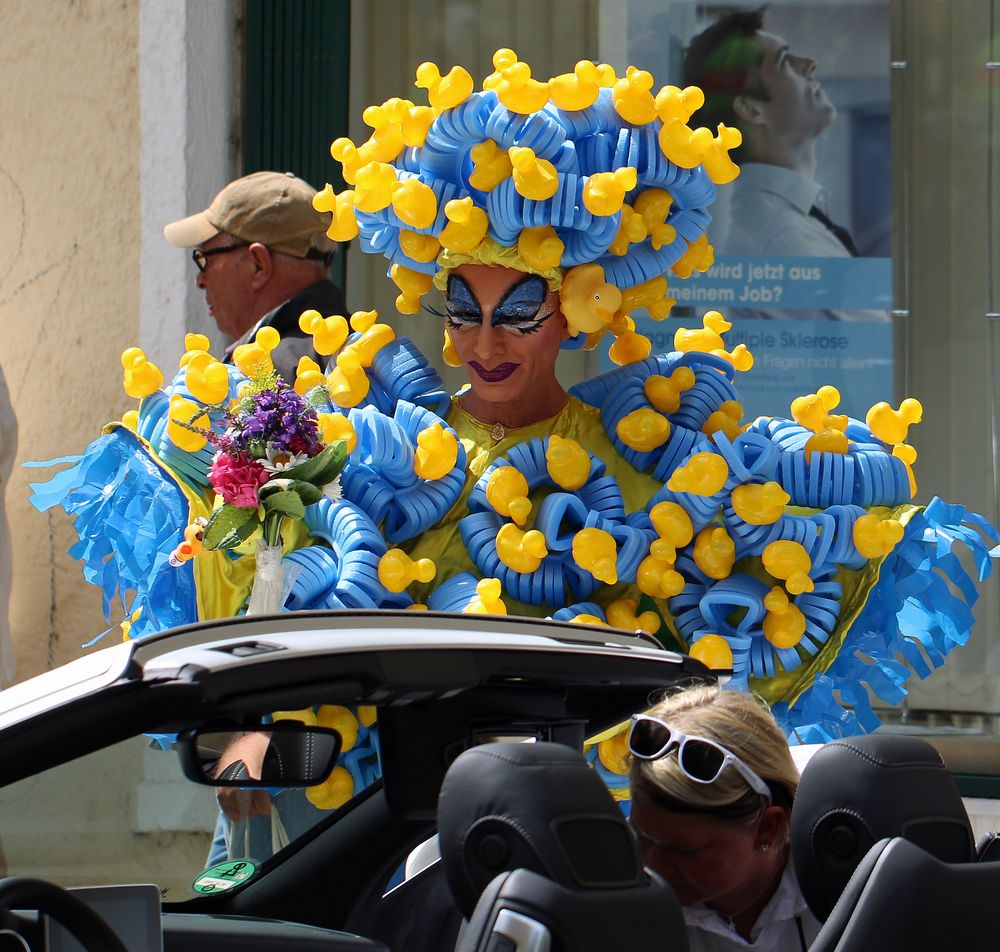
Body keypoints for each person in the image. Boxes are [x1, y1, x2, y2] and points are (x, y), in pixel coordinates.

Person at [684, 9, 886, 323]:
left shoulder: (786, 225)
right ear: (752, 109)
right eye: (783, 61)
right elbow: (882, 356)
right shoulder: (784, 239)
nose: (808, 64)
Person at [628, 685, 820, 950]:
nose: (653, 867)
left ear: (768, 828)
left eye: (685, 850)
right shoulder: (624, 905)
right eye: (641, 835)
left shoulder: (849, 889)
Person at [164, 170, 348, 381]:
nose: (200, 280)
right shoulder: (356, 350)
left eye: (206, 259)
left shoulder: (265, 375)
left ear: (258, 265)